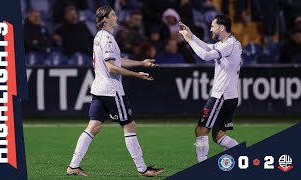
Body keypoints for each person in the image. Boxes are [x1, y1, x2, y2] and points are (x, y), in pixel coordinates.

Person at [66, 6, 165, 177]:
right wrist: (137, 75)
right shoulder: (109, 39)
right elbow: (112, 68)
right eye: (113, 14)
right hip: (112, 90)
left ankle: (73, 166)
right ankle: (143, 169)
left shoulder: (100, 37)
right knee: (129, 126)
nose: (116, 16)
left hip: (99, 89)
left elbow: (117, 61)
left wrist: (141, 63)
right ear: (105, 19)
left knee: (94, 126)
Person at [179, 15, 241, 162]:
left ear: (222, 28)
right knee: (219, 136)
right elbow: (207, 47)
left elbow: (206, 56)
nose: (210, 28)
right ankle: (242, 156)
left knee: (201, 130)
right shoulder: (228, 43)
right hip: (229, 97)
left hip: (221, 97)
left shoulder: (228, 45)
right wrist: (192, 36)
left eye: (213, 26)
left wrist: (188, 40)